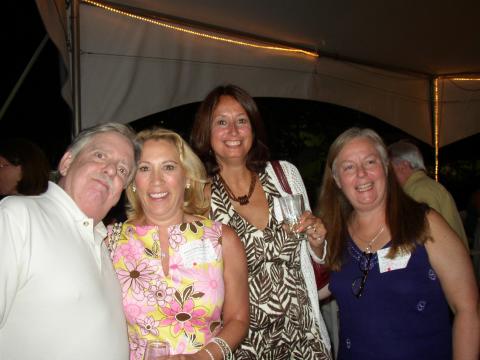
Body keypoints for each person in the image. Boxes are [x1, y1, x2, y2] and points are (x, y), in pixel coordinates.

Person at [190, 84, 331, 359]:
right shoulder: (199, 196)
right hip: (243, 346)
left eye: (242, 121)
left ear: (253, 128)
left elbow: (308, 258)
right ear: (206, 132)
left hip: (304, 338)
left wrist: (317, 242)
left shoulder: (285, 175)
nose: (233, 131)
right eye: (222, 122)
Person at [317, 127, 479, 360]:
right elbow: (315, 290)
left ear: (386, 167)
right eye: (349, 167)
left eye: (370, 162)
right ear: (337, 180)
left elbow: (468, 309)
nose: (361, 174)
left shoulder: (424, 223)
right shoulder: (334, 235)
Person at [0, 123, 139, 360]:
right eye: (100, 155)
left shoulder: (103, 244)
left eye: (123, 170)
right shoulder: (18, 216)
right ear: (66, 163)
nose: (111, 170)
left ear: (120, 192)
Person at [107, 128, 249, 359]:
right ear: (132, 181)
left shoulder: (222, 239)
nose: (156, 180)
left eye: (168, 167)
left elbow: (239, 320)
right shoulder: (109, 241)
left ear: (186, 178)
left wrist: (202, 357)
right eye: (144, 168)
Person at [388, 140, 468, 248]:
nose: (387, 174)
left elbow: (427, 241)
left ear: (403, 166)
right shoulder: (425, 187)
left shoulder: (419, 191)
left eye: (389, 168)